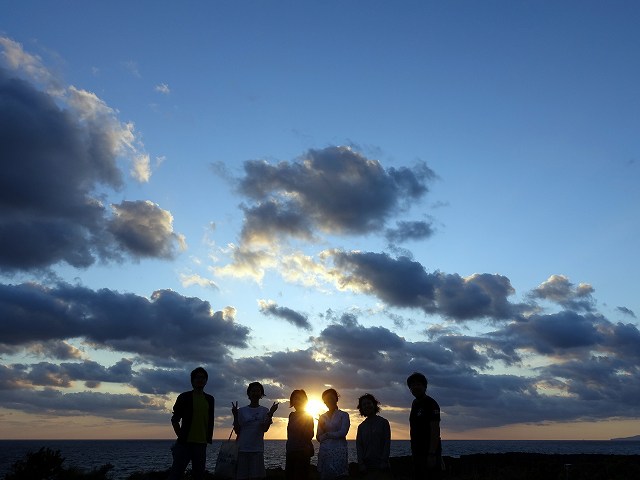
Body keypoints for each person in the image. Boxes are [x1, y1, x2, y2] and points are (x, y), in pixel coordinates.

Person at [168, 367, 215, 480]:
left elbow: (210, 419)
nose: (200, 380)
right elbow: (175, 419)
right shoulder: (184, 397)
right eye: (197, 377)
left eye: (203, 378)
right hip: (185, 444)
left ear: (206, 380)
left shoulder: (210, 399)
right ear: (192, 380)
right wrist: (181, 436)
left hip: (201, 444)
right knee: (176, 474)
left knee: (198, 475)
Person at [232, 381, 279, 480]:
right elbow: (237, 430)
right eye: (253, 391)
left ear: (261, 394)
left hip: (257, 450)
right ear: (248, 393)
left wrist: (271, 413)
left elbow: (265, 429)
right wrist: (235, 415)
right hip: (242, 449)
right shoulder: (241, 411)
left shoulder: (265, 411)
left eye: (258, 391)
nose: (255, 393)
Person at [407, 372, 442, 479]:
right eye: (412, 385)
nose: (415, 387)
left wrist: (432, 454)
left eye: (418, 384)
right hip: (417, 450)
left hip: (429, 451)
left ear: (425, 386)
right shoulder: (415, 403)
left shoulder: (431, 403)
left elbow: (435, 430)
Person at [356, 393, 391, 479]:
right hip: (367, 467)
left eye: (369, 403)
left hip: (382, 466)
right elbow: (359, 446)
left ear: (374, 405)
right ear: (361, 408)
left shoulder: (383, 422)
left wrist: (384, 461)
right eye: (364, 404)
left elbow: (387, 443)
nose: (367, 406)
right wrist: (361, 464)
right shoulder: (361, 427)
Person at [316, 388, 350, 479]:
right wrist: (330, 434)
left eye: (331, 397)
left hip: (339, 452)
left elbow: (343, 433)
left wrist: (327, 434)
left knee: (340, 476)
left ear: (336, 399)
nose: (329, 401)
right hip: (324, 452)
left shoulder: (344, 415)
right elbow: (318, 437)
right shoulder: (322, 417)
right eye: (326, 399)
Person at [285, 389, 315, 480]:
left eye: (300, 398)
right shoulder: (291, 415)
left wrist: (301, 425)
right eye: (295, 398)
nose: (297, 401)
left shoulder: (308, 416)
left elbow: (310, 435)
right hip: (291, 450)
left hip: (303, 452)